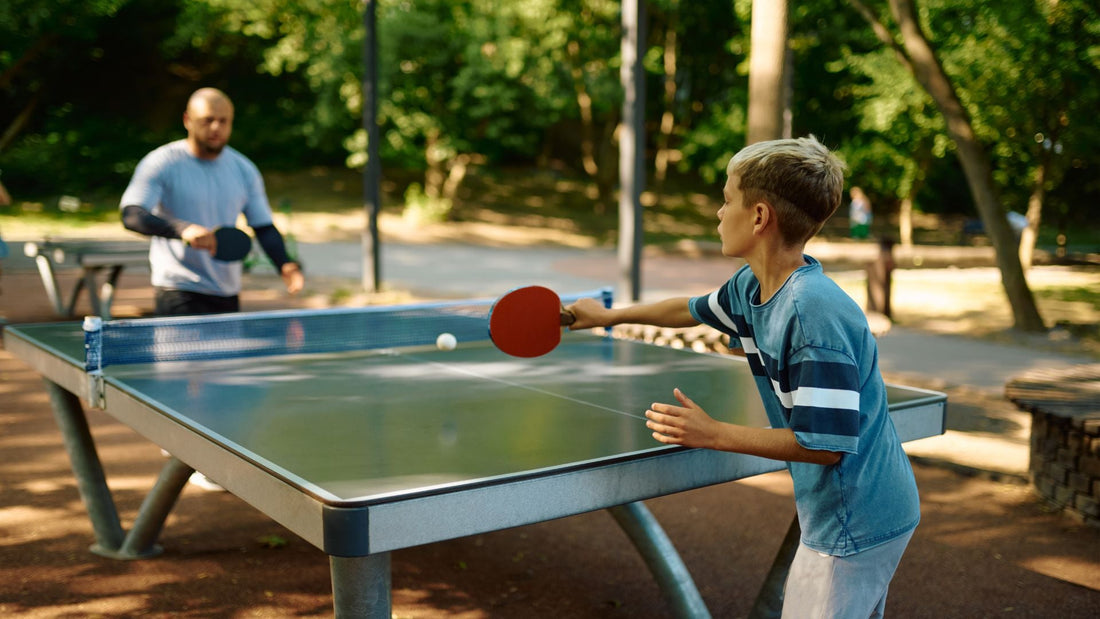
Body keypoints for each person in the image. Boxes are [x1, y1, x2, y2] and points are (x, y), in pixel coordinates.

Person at [566, 136, 919, 618]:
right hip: (853, 509)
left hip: (854, 518)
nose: (718, 212)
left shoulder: (811, 313)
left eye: (727, 199)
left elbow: (826, 444)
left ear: (758, 217)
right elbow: (690, 310)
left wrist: (714, 434)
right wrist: (610, 316)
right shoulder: (753, 285)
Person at [120, 87, 303, 316]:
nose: (216, 127)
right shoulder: (162, 163)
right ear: (188, 120)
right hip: (177, 287)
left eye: (223, 121)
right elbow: (132, 215)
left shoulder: (244, 169)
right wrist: (182, 229)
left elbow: (263, 226)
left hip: (227, 290)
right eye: (208, 120)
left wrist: (285, 264)